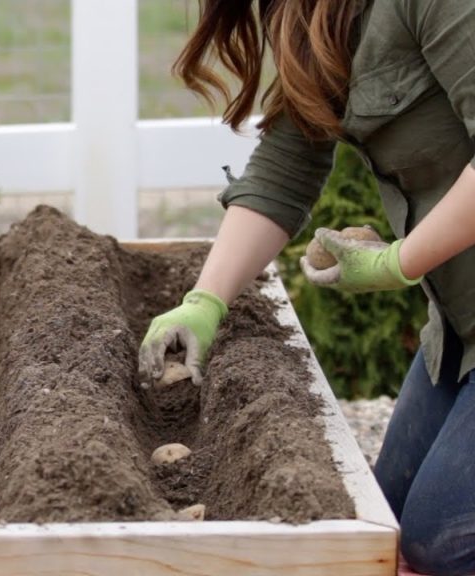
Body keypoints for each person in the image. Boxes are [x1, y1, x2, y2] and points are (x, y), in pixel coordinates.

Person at [137, 1, 475, 574]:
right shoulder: (312, 12)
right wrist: (204, 302)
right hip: (461, 328)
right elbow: (288, 167)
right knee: (381, 517)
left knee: (443, 543)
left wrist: (398, 262)